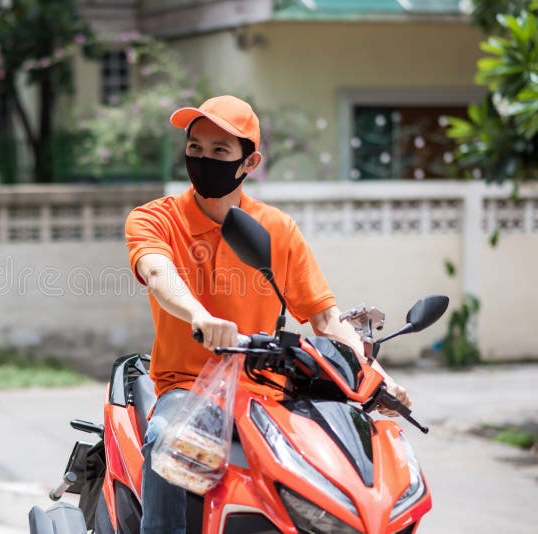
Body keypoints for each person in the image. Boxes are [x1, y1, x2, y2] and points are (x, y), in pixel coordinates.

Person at [124, 95, 412, 534]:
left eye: (219, 152)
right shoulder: (155, 219)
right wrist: (199, 316)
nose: (203, 160)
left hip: (268, 391)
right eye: (195, 148)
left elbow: (324, 318)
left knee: (331, 469)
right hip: (188, 388)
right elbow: (158, 273)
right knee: (169, 441)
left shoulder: (276, 229)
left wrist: (379, 376)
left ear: (249, 161)